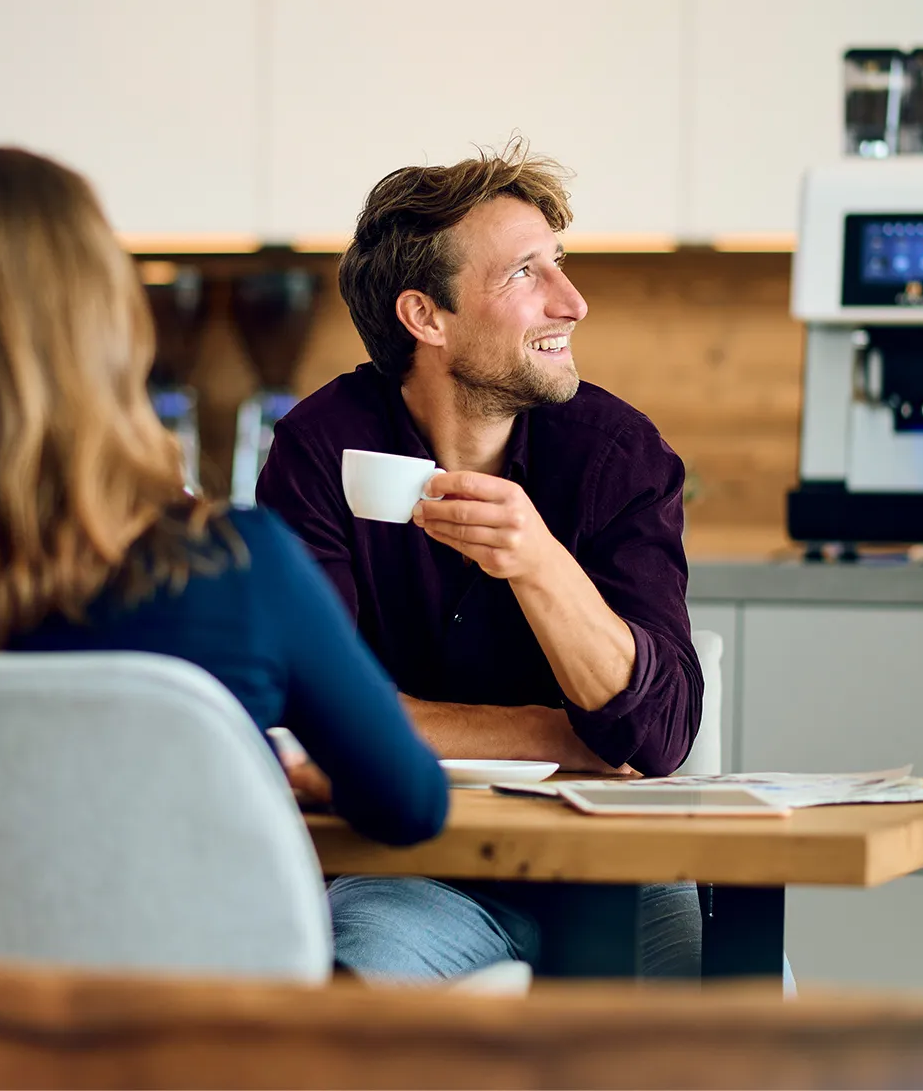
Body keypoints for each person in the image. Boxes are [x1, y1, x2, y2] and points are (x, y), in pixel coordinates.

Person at [0, 145, 448, 849]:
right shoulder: (241, 567)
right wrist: (282, 767)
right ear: (105, 323)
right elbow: (409, 804)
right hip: (170, 960)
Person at [255, 141, 703, 979]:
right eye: (525, 273)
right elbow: (309, 713)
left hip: (615, 869)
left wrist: (537, 562)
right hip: (408, 870)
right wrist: (558, 734)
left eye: (558, 264)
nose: (571, 302)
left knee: (741, 1020)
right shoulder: (324, 448)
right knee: (346, 1013)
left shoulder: (620, 457)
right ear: (427, 318)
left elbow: (660, 733)